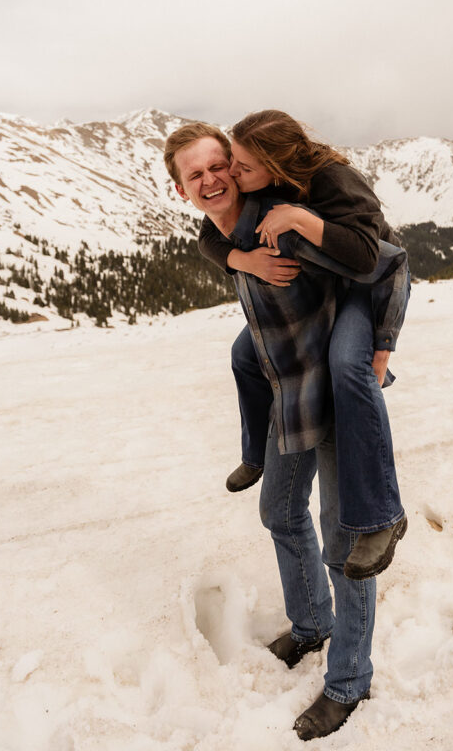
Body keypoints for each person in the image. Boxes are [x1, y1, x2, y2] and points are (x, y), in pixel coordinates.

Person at [163, 122, 408, 740]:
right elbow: (211, 244)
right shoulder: (225, 234)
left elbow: (385, 261)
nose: (214, 179)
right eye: (196, 175)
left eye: (221, 165)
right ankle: (311, 626)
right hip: (287, 393)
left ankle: (349, 680)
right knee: (278, 509)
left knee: (343, 543)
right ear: (181, 189)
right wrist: (236, 256)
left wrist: (378, 348)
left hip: (333, 397)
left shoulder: (282, 221)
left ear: (241, 164)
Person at [198, 109, 408, 579]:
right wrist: (244, 261)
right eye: (230, 160)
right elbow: (209, 234)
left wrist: (384, 340)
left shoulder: (332, 180)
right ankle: (255, 453)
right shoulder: (265, 185)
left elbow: (375, 258)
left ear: (274, 165)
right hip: (334, 280)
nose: (230, 174)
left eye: (240, 166)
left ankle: (384, 515)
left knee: (347, 368)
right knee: (243, 355)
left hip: (369, 285)